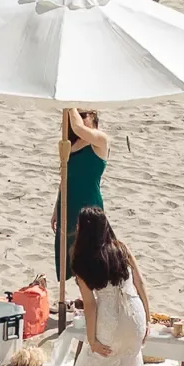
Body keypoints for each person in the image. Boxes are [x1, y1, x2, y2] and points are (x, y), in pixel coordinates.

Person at [47, 206, 166, 366]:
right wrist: (146, 318)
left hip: (111, 320)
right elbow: (141, 284)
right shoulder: (122, 248)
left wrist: (91, 339)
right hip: (134, 315)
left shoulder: (80, 260)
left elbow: (90, 305)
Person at [53, 106, 108, 287]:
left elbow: (78, 128)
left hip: (89, 204)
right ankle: (82, 300)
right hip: (69, 202)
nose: (81, 118)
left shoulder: (100, 140)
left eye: (84, 115)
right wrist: (56, 207)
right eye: (80, 115)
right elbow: (65, 177)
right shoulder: (71, 143)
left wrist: (69, 105)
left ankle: (90, 300)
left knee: (89, 254)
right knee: (70, 254)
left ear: (93, 117)